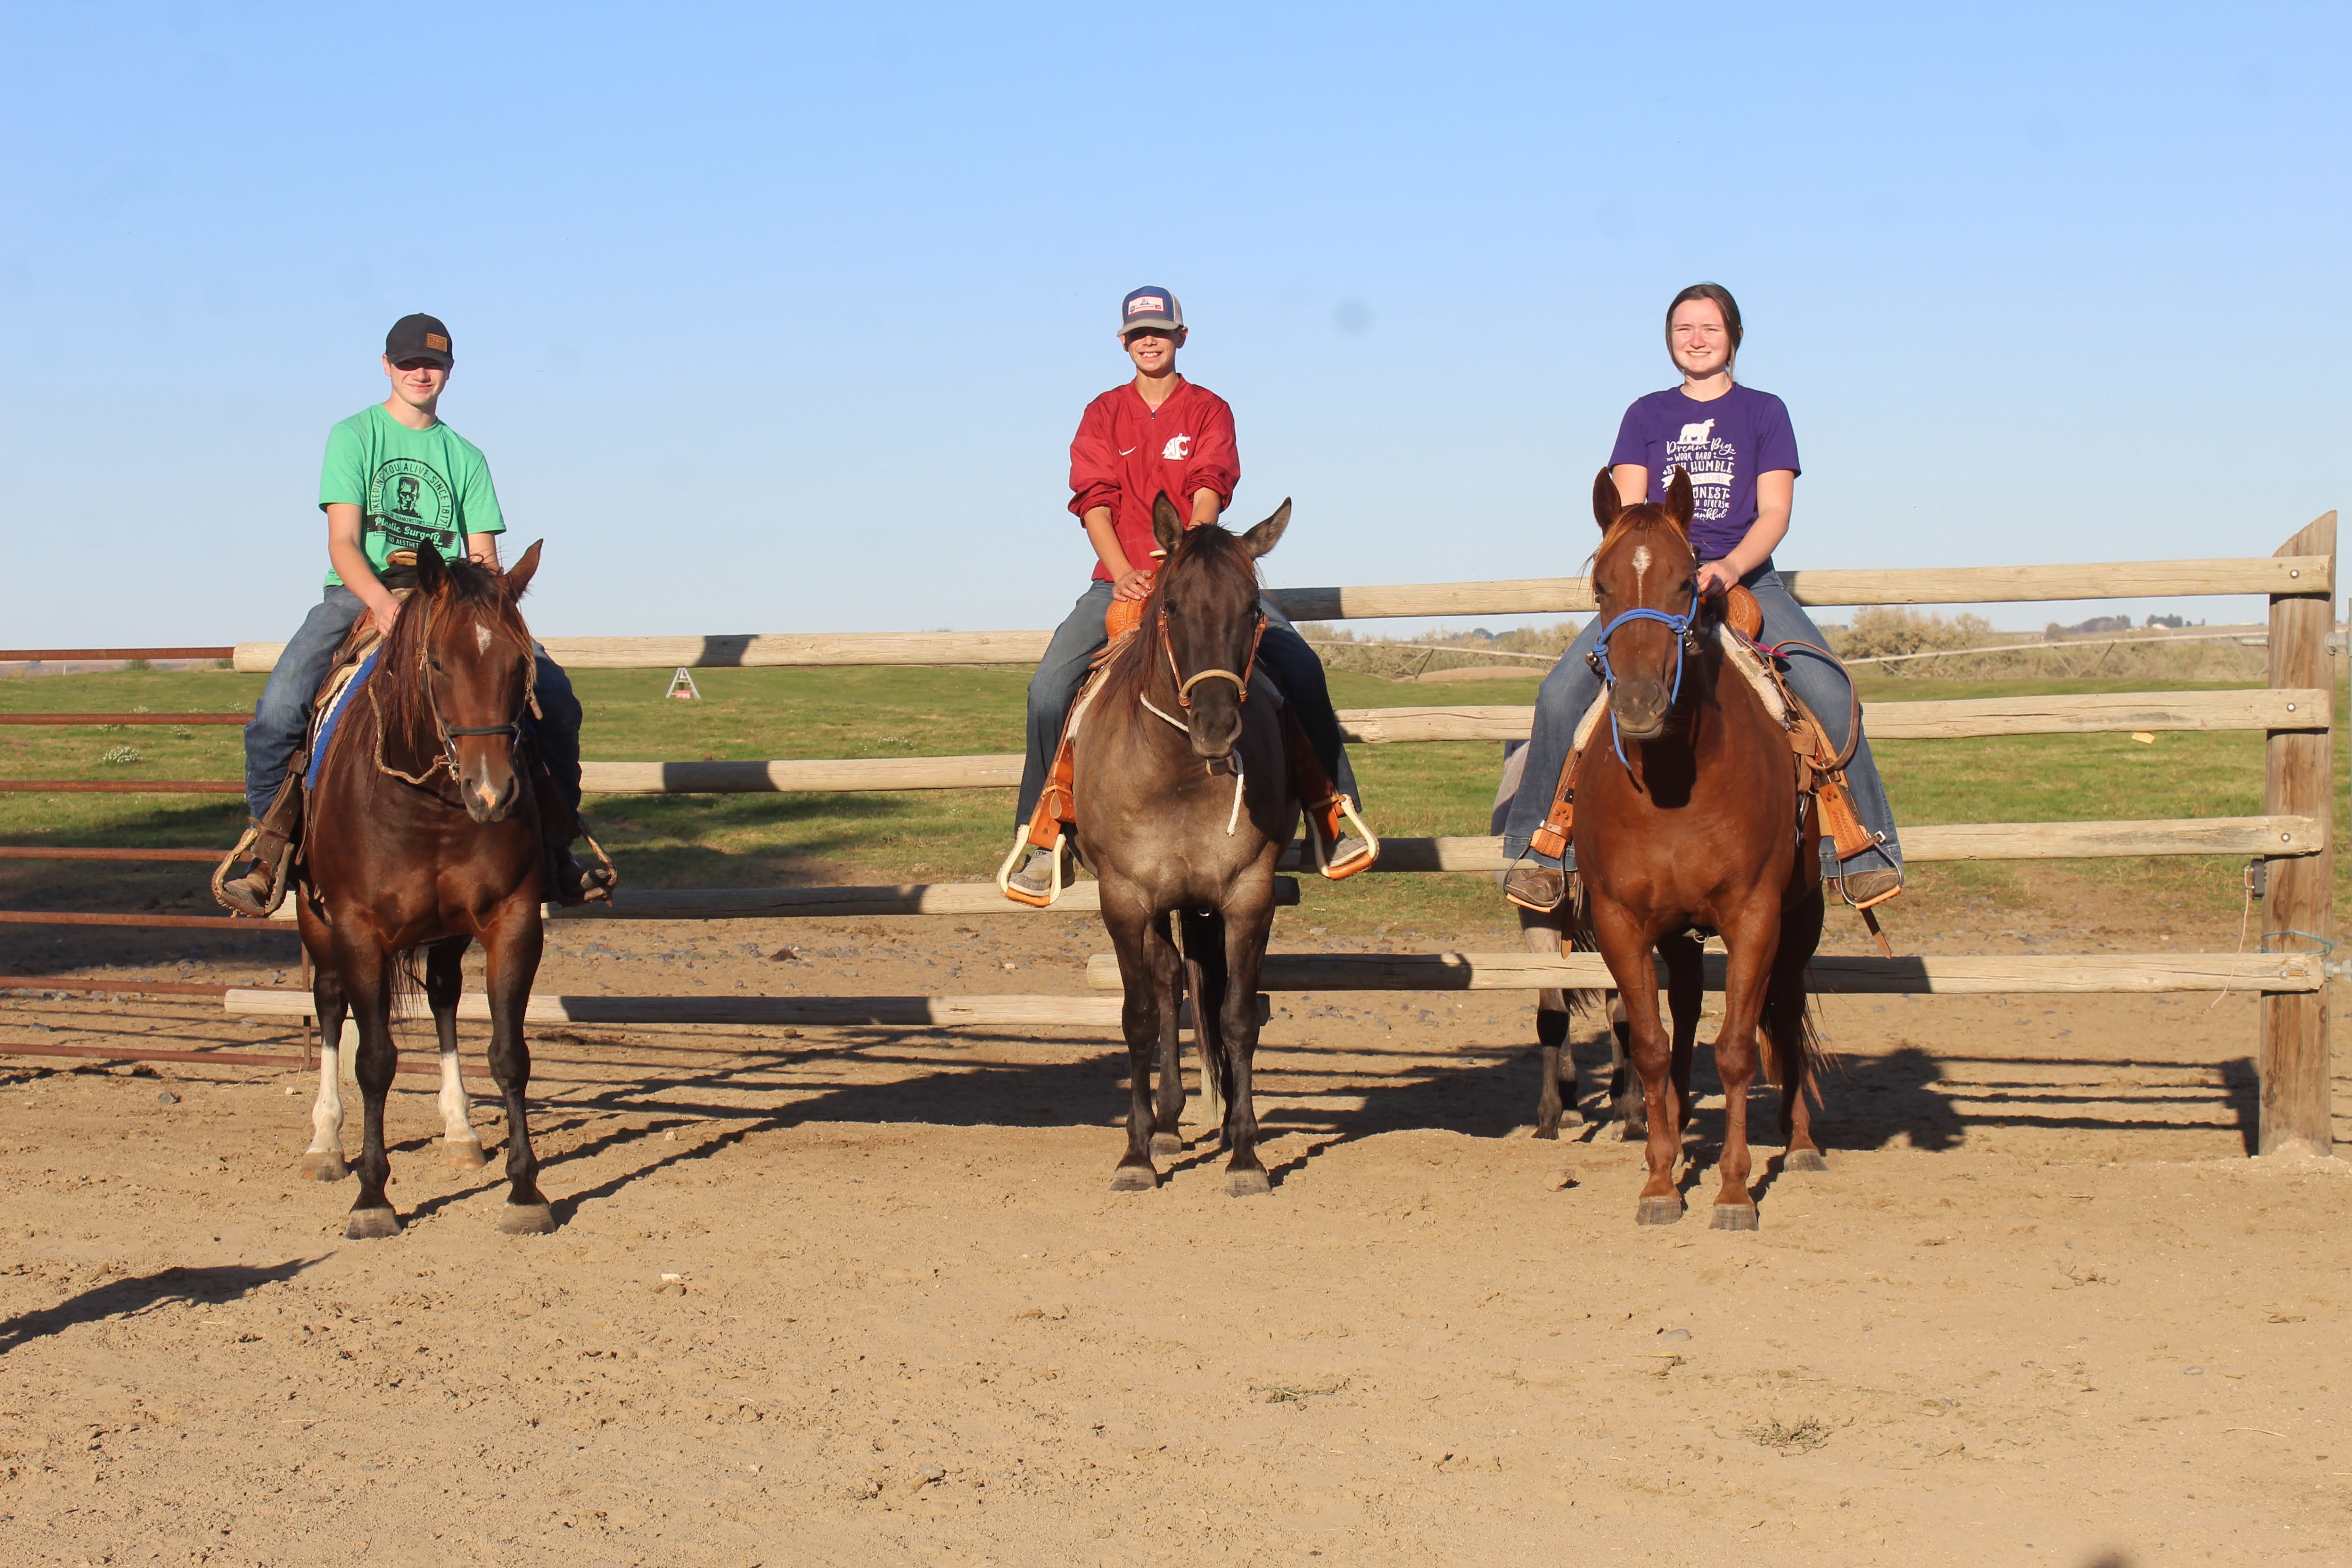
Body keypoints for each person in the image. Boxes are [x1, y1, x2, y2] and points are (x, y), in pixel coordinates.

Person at [1498, 282, 1903, 912]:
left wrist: (1729, 568)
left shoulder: (1764, 412)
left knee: (1829, 689)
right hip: (1658, 585)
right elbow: (1627, 516)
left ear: (1733, 337)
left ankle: (1863, 847)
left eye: (1709, 328)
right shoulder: (1644, 415)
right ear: (1668, 339)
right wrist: (1668, 569)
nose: (1695, 339)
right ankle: (1540, 850)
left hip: (1747, 577)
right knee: (1558, 695)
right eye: (1682, 328)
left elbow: (1774, 512)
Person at [217, 313, 607, 916]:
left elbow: (483, 559)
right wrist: (382, 604)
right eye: (408, 364)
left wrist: (484, 611)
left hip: (451, 601)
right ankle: (269, 849)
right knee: (282, 703)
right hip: (362, 593)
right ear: (386, 366)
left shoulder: (465, 456)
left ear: (449, 371)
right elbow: (343, 541)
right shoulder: (354, 436)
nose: (421, 374)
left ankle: (556, 845)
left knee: (554, 699)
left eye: (433, 364)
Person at [1005, 286, 1369, 898]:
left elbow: (1209, 485)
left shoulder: (1208, 409)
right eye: (1138, 333)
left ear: (1181, 337)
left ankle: (1330, 811)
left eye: (1160, 331)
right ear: (1123, 342)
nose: (1149, 341)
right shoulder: (1102, 413)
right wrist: (1122, 570)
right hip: (1119, 578)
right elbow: (1093, 501)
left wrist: (1187, 560)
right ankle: (1044, 836)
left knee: (1301, 666)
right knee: (1047, 690)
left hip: (1199, 574)